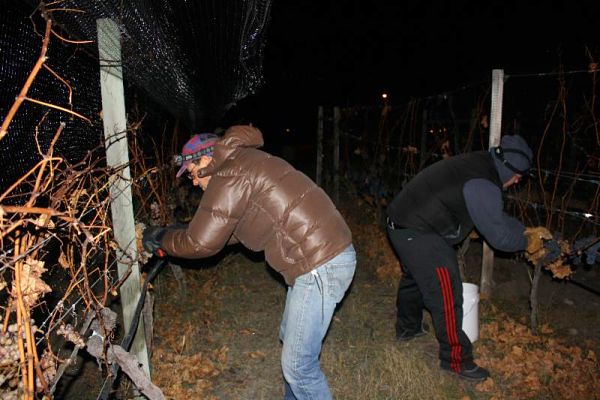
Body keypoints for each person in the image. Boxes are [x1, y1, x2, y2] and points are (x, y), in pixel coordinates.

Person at [143, 125, 356, 399]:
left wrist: (160, 239)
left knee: (298, 366)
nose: (193, 181)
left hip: (319, 263)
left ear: (205, 159)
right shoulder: (241, 162)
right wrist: (181, 232)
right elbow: (225, 231)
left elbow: (201, 244)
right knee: (290, 340)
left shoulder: (229, 173)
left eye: (192, 172)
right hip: (324, 255)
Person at [386, 134, 549, 382]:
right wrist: (527, 242)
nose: (517, 181)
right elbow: (499, 237)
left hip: (402, 221)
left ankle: (408, 329)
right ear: (507, 168)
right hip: (418, 230)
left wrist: (523, 230)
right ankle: (456, 361)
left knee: (416, 275)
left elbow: (495, 217)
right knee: (447, 291)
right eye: (518, 175)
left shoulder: (482, 164)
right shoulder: (483, 183)